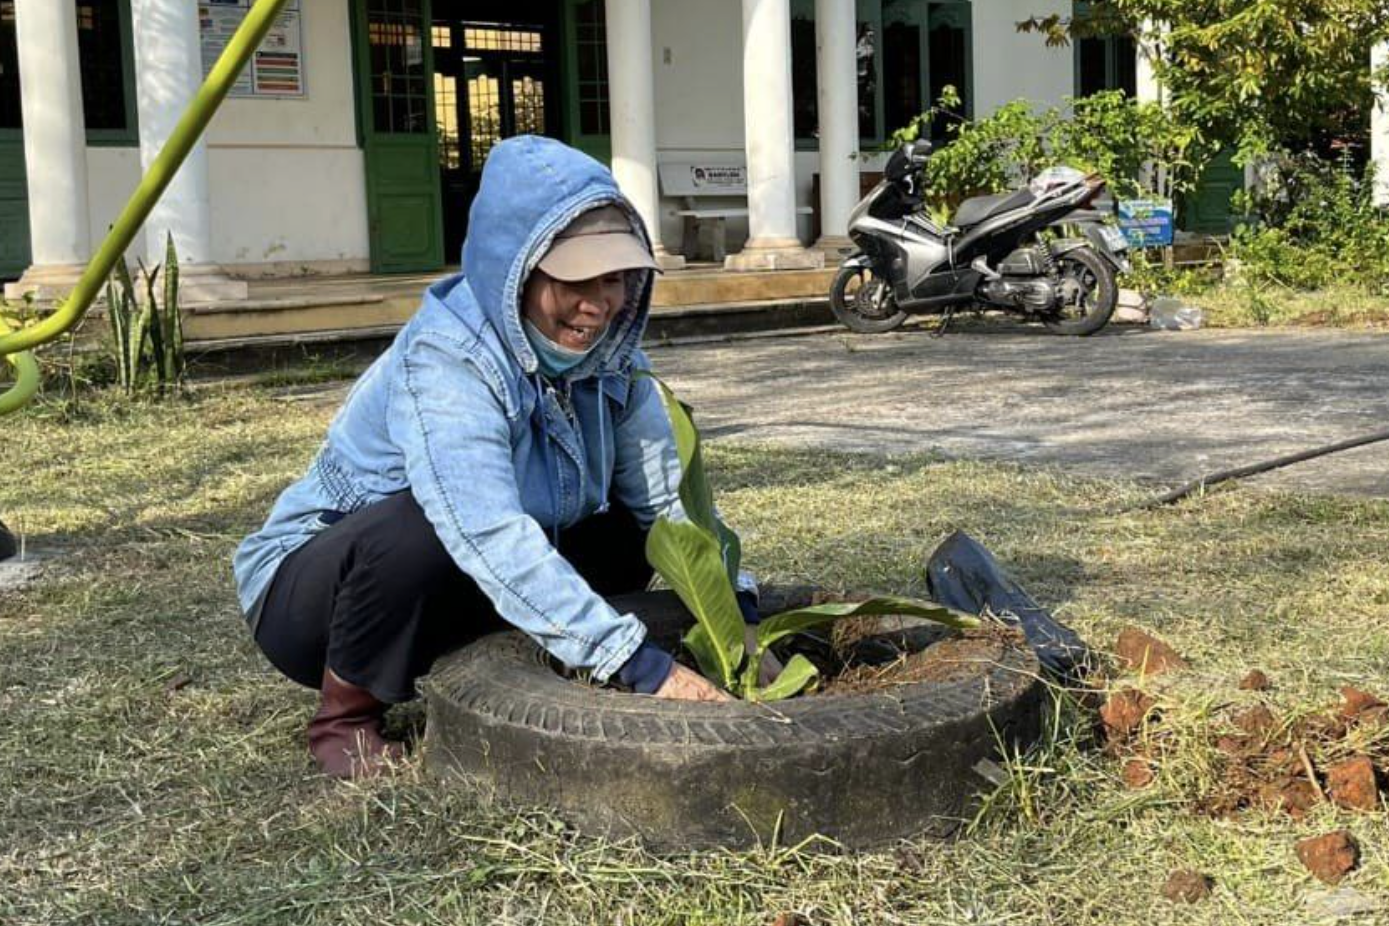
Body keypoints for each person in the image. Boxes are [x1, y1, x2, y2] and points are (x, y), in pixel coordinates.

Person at [233, 136, 757, 780]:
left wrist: (735, 610)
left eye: (615, 277)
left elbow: (667, 504)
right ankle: (345, 718)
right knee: (420, 526)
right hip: (317, 602)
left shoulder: (618, 365)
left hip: (459, 579)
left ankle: (527, 654)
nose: (598, 303)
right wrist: (636, 663)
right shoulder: (447, 360)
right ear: (516, 269)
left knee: (630, 525)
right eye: (574, 279)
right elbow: (481, 528)